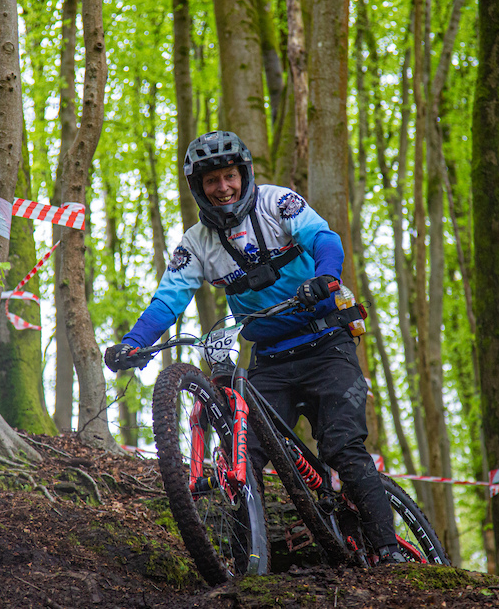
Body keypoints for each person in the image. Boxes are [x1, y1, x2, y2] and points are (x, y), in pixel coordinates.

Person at [104, 130, 406, 565]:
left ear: (243, 175)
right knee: (243, 453)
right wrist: (134, 344)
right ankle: (244, 557)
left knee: (342, 446)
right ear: (198, 189)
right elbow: (167, 299)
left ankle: (390, 553)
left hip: (327, 346)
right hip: (270, 361)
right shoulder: (196, 243)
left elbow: (325, 238)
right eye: (212, 181)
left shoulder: (278, 203)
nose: (223, 187)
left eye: (229, 176)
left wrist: (325, 275)